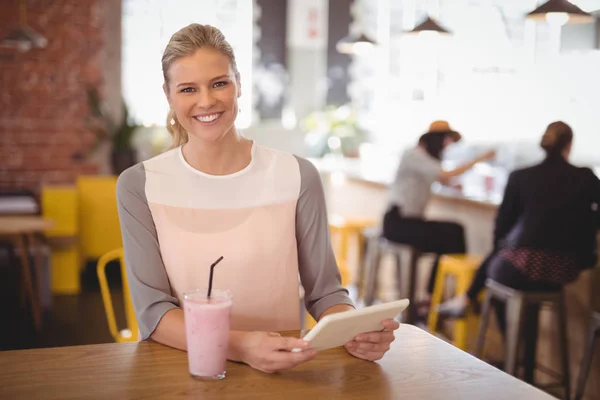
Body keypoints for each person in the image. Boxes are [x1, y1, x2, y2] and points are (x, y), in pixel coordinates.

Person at [116, 23, 399, 374]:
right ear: (169, 95)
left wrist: (354, 330)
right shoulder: (139, 185)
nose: (206, 101)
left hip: (285, 371)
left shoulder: (297, 175)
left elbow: (326, 293)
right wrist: (240, 346)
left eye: (219, 83)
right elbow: (154, 313)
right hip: (183, 370)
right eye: (188, 89)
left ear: (239, 83)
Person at [437, 121, 600, 319]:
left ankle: (504, 337)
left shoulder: (521, 177)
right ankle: (468, 301)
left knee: (499, 269)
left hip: (523, 266)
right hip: (565, 268)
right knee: (509, 260)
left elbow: (501, 227)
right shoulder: (586, 178)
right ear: (570, 145)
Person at [383, 121, 495, 312]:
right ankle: (445, 298)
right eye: (445, 142)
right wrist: (480, 158)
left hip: (409, 222)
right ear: (436, 140)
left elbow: (441, 178)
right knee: (453, 232)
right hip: (397, 224)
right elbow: (446, 174)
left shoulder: (423, 159)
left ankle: (435, 298)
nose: (446, 146)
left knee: (452, 235)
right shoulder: (413, 155)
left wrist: (454, 185)